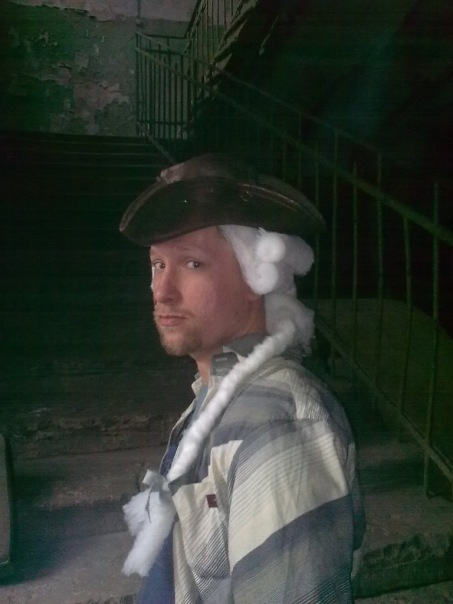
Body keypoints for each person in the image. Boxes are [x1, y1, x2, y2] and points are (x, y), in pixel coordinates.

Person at [119, 154, 365, 603]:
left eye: (192, 264)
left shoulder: (276, 423)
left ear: (257, 278)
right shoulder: (215, 395)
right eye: (157, 265)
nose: (162, 291)